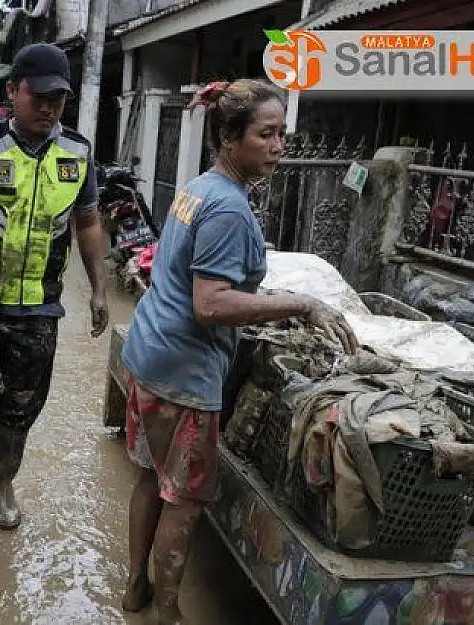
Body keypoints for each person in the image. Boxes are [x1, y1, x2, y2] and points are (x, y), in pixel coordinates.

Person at [119, 79, 359, 625]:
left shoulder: (198, 188)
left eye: (282, 134)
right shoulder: (228, 210)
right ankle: (169, 612)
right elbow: (210, 304)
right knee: (183, 497)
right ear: (230, 138)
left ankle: (135, 588)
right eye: (265, 134)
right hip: (184, 369)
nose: (278, 146)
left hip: (148, 352)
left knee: (149, 477)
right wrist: (300, 304)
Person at [0, 43, 111, 530]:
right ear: (13, 91)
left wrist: (99, 289)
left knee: (19, 407)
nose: (50, 108)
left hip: (39, 311)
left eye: (60, 98)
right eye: (40, 96)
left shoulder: (78, 152)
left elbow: (90, 222)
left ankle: (0, 485)